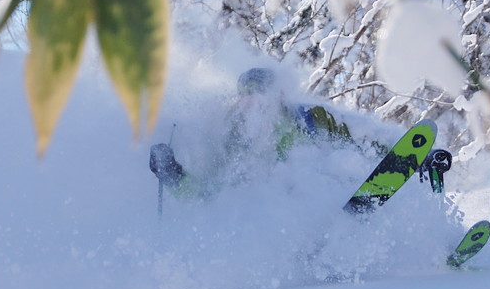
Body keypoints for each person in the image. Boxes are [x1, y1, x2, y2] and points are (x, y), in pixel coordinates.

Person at [149, 67, 372, 201]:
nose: (255, 99)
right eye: (246, 94)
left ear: (281, 93)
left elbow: (362, 138)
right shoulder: (233, 141)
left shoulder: (313, 116)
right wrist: (173, 176)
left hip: (329, 196)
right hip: (278, 223)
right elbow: (209, 197)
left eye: (262, 91)